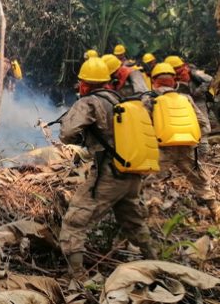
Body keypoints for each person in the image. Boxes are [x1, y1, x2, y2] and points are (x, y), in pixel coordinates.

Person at [59, 57, 156, 279]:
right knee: (133, 221)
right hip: (131, 174)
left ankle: (77, 277)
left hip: (109, 175)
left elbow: (66, 134)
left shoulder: (89, 102)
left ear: (84, 84)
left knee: (74, 221)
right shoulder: (118, 98)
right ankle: (155, 261)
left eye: (81, 83)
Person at [144, 63, 220, 222]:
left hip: (161, 149)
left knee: (149, 181)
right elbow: (204, 124)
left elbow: (142, 126)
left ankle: (153, 216)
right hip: (187, 147)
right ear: (173, 81)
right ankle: (215, 210)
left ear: (154, 81)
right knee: (201, 179)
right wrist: (194, 139)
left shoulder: (149, 99)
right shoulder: (186, 98)